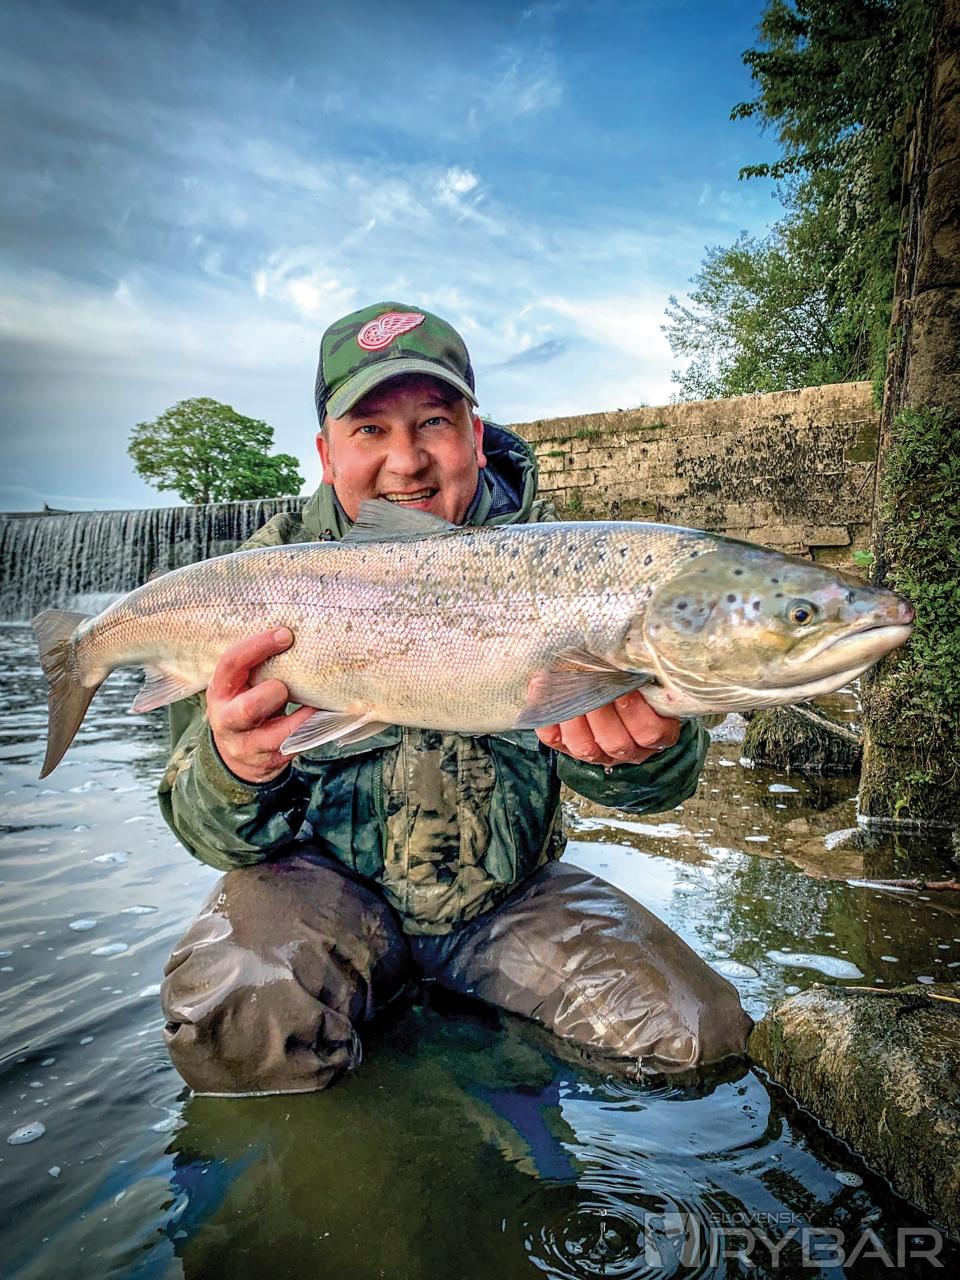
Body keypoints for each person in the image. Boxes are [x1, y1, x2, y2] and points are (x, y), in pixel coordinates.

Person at [158, 302, 753, 1095]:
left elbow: (656, 793)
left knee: (698, 1036)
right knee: (234, 1019)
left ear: (475, 433)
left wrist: (639, 754)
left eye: (433, 422)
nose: (406, 461)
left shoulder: (581, 568)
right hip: (316, 895)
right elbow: (206, 835)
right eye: (370, 429)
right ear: (326, 453)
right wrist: (236, 769)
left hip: (510, 899)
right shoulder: (242, 587)